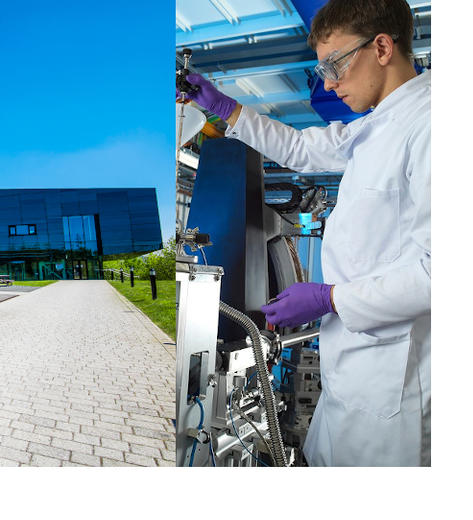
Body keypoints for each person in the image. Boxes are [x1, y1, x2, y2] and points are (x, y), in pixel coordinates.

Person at [179, 0, 429, 466]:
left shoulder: (431, 124)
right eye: (321, 69)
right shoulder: (378, 122)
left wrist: (330, 298)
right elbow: (299, 147)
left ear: (381, 47)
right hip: (352, 371)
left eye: (334, 64)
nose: (329, 82)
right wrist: (226, 109)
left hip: (398, 385)